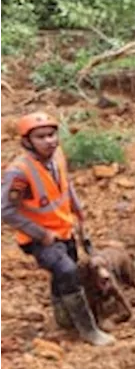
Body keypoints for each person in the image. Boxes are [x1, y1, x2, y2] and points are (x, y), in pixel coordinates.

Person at [1, 112, 113, 346]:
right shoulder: (19, 172)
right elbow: (6, 210)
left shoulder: (57, 157)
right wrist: (40, 234)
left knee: (61, 274)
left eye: (52, 135)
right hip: (38, 238)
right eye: (41, 137)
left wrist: (78, 208)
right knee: (67, 270)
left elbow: (66, 183)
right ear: (27, 141)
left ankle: (64, 319)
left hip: (64, 228)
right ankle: (88, 330)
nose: (49, 141)